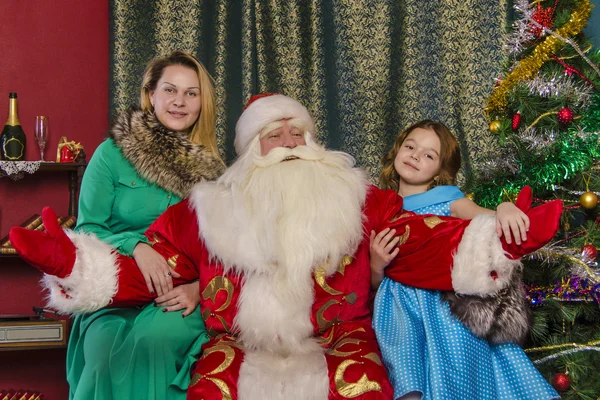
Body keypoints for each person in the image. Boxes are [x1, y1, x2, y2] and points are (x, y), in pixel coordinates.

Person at [10, 94, 562, 400]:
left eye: (298, 133)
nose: (290, 144)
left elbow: (423, 243)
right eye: (274, 136)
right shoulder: (209, 208)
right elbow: (148, 270)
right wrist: (77, 266)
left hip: (338, 338)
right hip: (237, 343)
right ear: (253, 149)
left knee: (364, 393)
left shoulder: (359, 199)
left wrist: (497, 239)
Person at [62, 51, 225, 400]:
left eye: (191, 93)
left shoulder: (215, 174)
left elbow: (226, 252)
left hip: (178, 295)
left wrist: (199, 289)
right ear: (151, 95)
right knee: (104, 350)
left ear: (202, 103)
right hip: (115, 290)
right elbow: (87, 230)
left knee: (157, 341)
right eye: (170, 90)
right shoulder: (111, 154)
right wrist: (136, 246)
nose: (179, 102)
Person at [370, 120, 559, 400]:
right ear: (397, 150)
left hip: (443, 305)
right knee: (406, 374)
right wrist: (376, 264)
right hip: (398, 308)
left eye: (429, 155)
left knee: (458, 370)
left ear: (440, 171)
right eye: (410, 147)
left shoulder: (449, 199)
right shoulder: (378, 206)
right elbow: (369, 284)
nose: (415, 155)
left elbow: (486, 217)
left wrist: (505, 208)